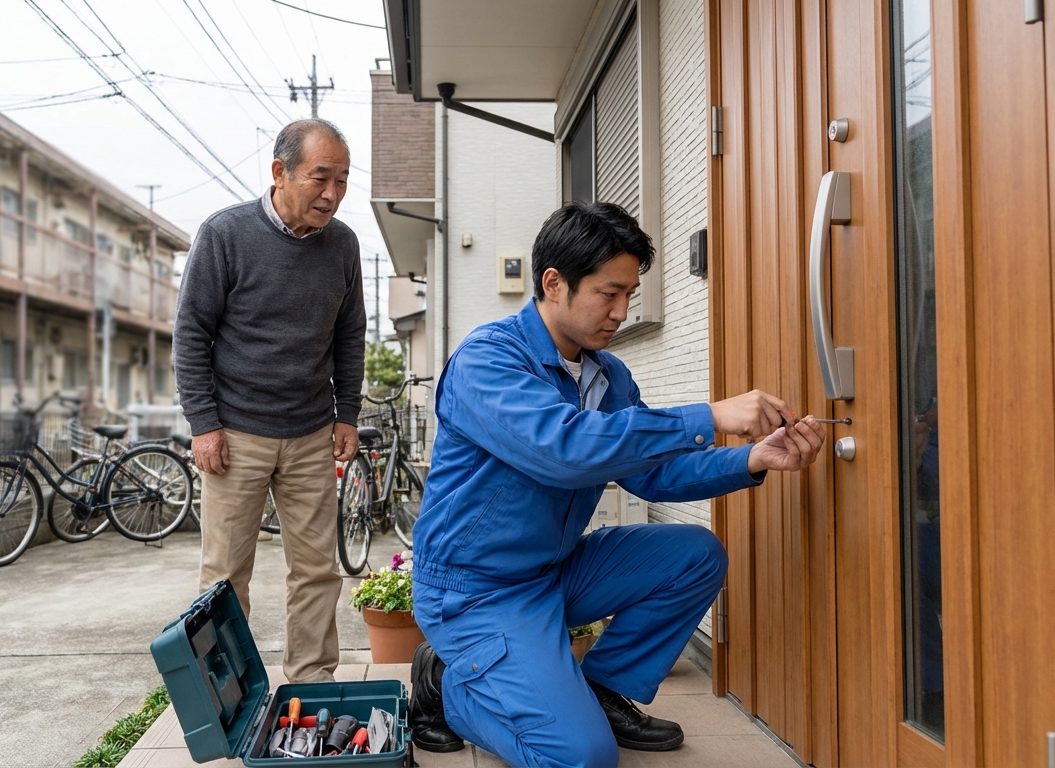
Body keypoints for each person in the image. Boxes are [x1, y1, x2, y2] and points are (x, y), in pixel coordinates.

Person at [407, 202, 826, 766]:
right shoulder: (489, 361)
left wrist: (752, 459)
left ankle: (601, 689)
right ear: (554, 284)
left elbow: (651, 472)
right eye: (610, 293)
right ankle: (446, 686)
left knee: (694, 555)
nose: (623, 311)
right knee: (581, 758)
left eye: (631, 293)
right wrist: (708, 417)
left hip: (551, 572)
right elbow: (565, 451)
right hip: (476, 589)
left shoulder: (607, 374)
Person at [173, 118, 365, 683]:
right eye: (320, 178)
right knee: (226, 573)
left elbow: (349, 334)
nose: (332, 194)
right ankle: (227, 692)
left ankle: (312, 682)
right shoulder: (225, 234)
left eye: (343, 181)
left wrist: (346, 413)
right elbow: (191, 333)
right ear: (280, 173)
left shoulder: (344, 245)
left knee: (316, 570)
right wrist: (203, 423)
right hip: (235, 434)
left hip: (309, 432)